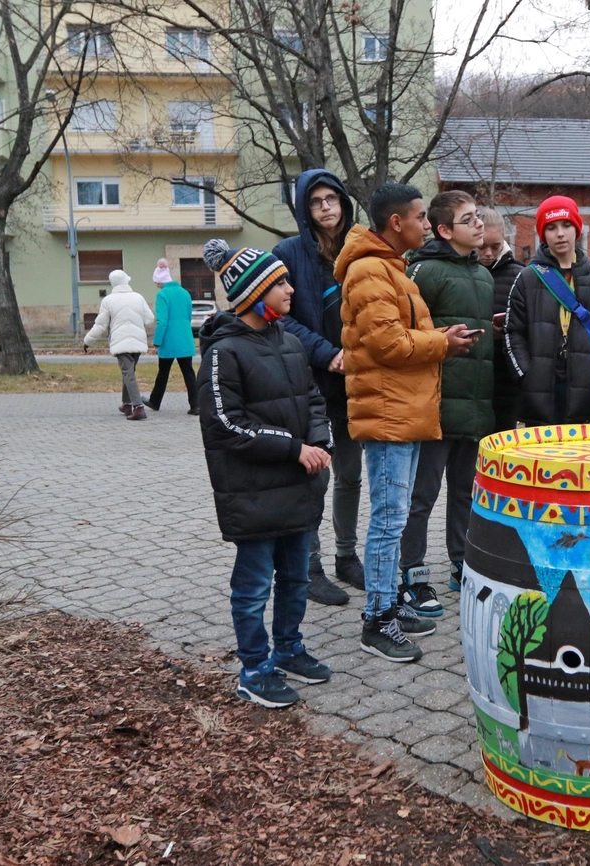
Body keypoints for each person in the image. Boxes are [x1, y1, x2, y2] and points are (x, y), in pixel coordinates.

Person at [337, 182, 478, 663]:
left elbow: (404, 334)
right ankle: (376, 621)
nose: (425, 224)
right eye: (420, 217)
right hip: (388, 414)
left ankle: (389, 606)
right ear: (396, 223)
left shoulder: (392, 269)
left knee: (393, 518)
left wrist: (441, 334)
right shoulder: (370, 271)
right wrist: (443, 345)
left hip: (404, 409)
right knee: (389, 519)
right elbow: (389, 347)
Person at [197, 238, 334, 708]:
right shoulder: (223, 352)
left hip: (297, 489)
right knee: (254, 585)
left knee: (296, 578)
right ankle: (254, 668)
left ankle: (290, 649)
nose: (291, 289)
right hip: (253, 494)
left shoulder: (291, 342)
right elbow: (224, 424)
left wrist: (318, 443)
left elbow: (314, 400)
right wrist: (294, 449)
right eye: (280, 283)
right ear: (255, 293)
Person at [398, 190, 494, 615]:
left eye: (479, 217)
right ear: (443, 229)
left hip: (475, 405)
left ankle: (462, 562)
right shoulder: (424, 272)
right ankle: (412, 571)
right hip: (433, 407)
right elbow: (406, 334)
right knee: (422, 494)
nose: (479, 224)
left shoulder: (485, 276)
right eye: (468, 219)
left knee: (465, 493)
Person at [272, 170, 363, 607]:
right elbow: (281, 316)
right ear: (304, 210)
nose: (327, 207)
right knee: (316, 476)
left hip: (355, 381)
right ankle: (310, 568)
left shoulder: (360, 249)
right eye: (316, 201)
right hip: (308, 380)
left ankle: (348, 556)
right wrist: (325, 352)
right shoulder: (287, 253)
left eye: (333, 198)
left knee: (351, 474)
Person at [505, 195, 590, 425]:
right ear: (543, 235)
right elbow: (513, 333)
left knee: (579, 459)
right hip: (539, 392)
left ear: (577, 229)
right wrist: (526, 375)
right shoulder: (528, 278)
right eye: (551, 228)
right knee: (541, 459)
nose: (560, 233)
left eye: (566, 225)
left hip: (583, 391)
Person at [84, 269, 156, 421]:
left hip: (120, 341)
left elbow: (100, 326)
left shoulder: (108, 301)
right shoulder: (138, 297)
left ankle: (138, 407)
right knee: (128, 373)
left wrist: (87, 341)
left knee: (128, 374)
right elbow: (149, 319)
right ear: (126, 281)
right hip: (138, 340)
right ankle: (127, 404)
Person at [477, 206, 525, 432]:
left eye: (494, 247)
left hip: (504, 381)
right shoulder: (459, 271)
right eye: (481, 246)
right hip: (470, 379)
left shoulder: (519, 275)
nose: (487, 253)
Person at [143, 259, 199, 416]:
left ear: (160, 281)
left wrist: (157, 341)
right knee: (188, 372)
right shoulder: (185, 293)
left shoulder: (162, 295)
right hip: (185, 337)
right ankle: (196, 405)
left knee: (163, 372)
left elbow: (162, 321)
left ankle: (155, 401)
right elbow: (188, 316)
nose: (156, 285)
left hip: (169, 339)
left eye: (156, 282)